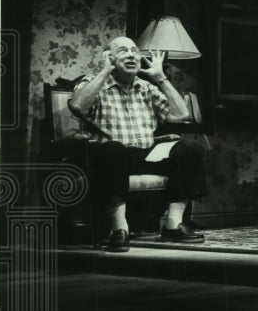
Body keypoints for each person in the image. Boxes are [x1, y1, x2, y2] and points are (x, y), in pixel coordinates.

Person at [68, 35, 207, 253]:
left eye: (134, 50)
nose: (132, 54)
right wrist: (104, 72)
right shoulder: (92, 82)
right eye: (123, 51)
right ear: (109, 57)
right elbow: (77, 106)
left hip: (146, 155)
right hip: (111, 158)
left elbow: (181, 115)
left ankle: (173, 225)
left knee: (191, 147)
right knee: (114, 149)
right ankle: (118, 229)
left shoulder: (146, 87)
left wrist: (161, 78)